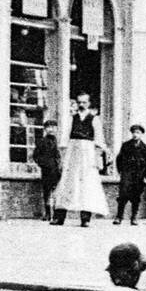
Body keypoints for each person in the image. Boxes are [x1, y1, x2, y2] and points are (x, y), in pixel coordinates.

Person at [52, 93, 110, 227]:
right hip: (73, 152)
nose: (81, 105)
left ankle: (85, 218)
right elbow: (65, 139)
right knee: (68, 182)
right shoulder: (72, 119)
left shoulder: (94, 119)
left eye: (84, 102)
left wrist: (97, 156)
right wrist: (63, 156)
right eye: (79, 102)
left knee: (87, 184)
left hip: (88, 154)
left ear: (89, 103)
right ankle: (59, 217)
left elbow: (99, 140)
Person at [113, 125, 146, 226]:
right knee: (123, 196)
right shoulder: (126, 145)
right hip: (127, 174)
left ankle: (134, 218)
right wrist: (121, 171)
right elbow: (119, 159)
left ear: (141, 134)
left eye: (138, 133)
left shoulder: (145, 148)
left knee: (136, 197)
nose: (135, 135)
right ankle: (119, 217)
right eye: (134, 132)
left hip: (139, 176)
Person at [33, 119, 62, 222]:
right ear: (45, 129)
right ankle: (47, 213)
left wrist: (60, 165)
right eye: (48, 127)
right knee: (47, 192)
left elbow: (59, 156)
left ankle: (56, 214)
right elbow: (35, 156)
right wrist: (43, 163)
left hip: (57, 170)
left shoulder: (58, 142)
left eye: (53, 127)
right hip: (46, 170)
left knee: (56, 193)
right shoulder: (41, 141)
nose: (51, 129)